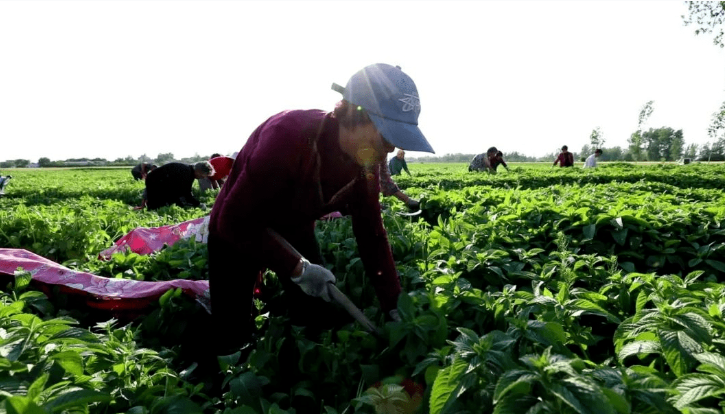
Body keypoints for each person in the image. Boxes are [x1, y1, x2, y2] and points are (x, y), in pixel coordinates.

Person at [207, 63, 434, 350]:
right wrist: (297, 268)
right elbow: (233, 220)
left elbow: (371, 234)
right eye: (387, 138)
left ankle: (296, 375)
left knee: (316, 320)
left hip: (294, 229)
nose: (389, 150)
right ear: (356, 115)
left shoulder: (367, 166)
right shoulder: (288, 137)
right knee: (232, 332)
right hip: (238, 225)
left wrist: (393, 302)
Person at [136, 162, 214, 210]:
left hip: (161, 182)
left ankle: (147, 206)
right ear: (199, 171)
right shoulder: (186, 173)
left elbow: (179, 191)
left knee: (172, 203)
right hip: (154, 181)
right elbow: (187, 194)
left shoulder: (189, 172)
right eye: (204, 175)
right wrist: (198, 204)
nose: (204, 177)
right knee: (155, 207)